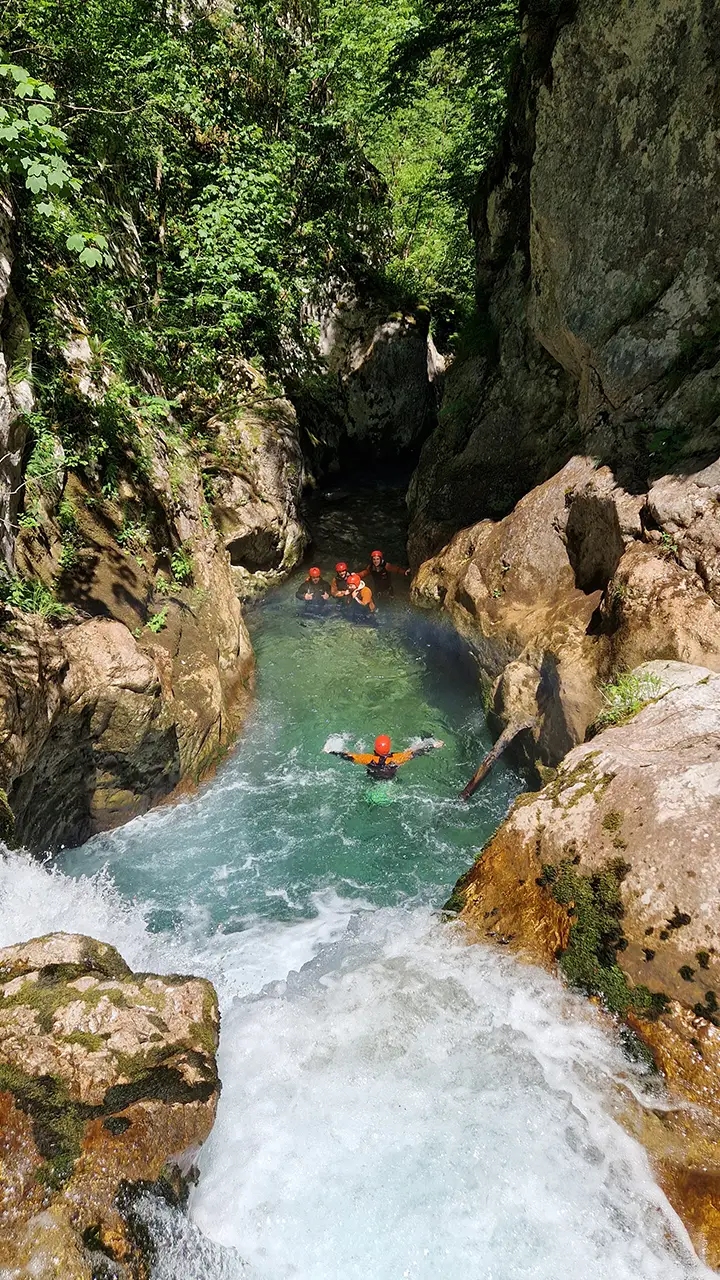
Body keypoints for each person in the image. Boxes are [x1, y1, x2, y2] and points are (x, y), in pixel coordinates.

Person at [326, 734, 444, 781]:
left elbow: (347, 756)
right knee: (410, 750)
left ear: (374, 750)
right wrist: (433, 745)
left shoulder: (368, 758)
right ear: (389, 749)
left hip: (373, 781)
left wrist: (330, 751)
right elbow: (417, 753)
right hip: (390, 782)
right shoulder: (397, 758)